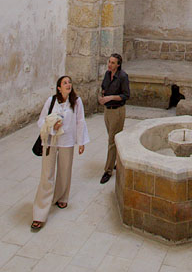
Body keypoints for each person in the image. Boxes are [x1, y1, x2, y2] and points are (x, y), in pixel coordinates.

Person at [31, 75, 89, 231]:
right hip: (50, 141)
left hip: (67, 141)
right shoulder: (51, 101)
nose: (68, 84)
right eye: (65, 83)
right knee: (46, 175)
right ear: (59, 87)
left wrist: (81, 142)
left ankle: (62, 197)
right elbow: (41, 121)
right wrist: (52, 128)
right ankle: (40, 213)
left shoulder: (76, 102)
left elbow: (80, 121)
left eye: (70, 82)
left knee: (64, 171)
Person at [99, 52, 130, 183]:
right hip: (107, 110)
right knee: (113, 139)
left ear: (118, 65)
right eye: (109, 62)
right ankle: (117, 161)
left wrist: (111, 97)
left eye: (112, 63)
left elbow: (126, 95)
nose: (110, 65)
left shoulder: (123, 76)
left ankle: (108, 170)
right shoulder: (107, 74)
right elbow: (103, 88)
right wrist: (102, 96)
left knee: (112, 141)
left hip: (117, 111)